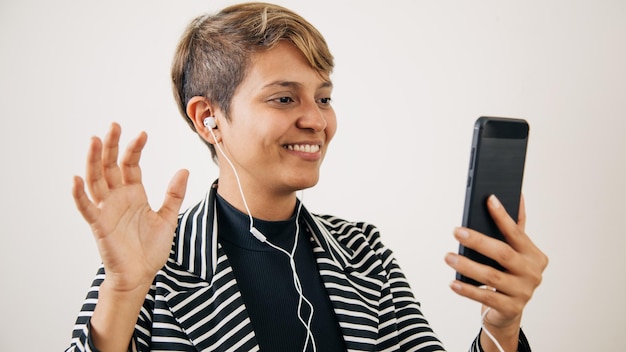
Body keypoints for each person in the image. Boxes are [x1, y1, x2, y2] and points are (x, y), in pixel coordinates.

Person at [66, 2, 548, 352]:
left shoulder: (364, 253)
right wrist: (125, 291)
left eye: (323, 97)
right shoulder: (147, 264)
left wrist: (501, 328)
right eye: (284, 98)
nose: (317, 120)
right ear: (207, 117)